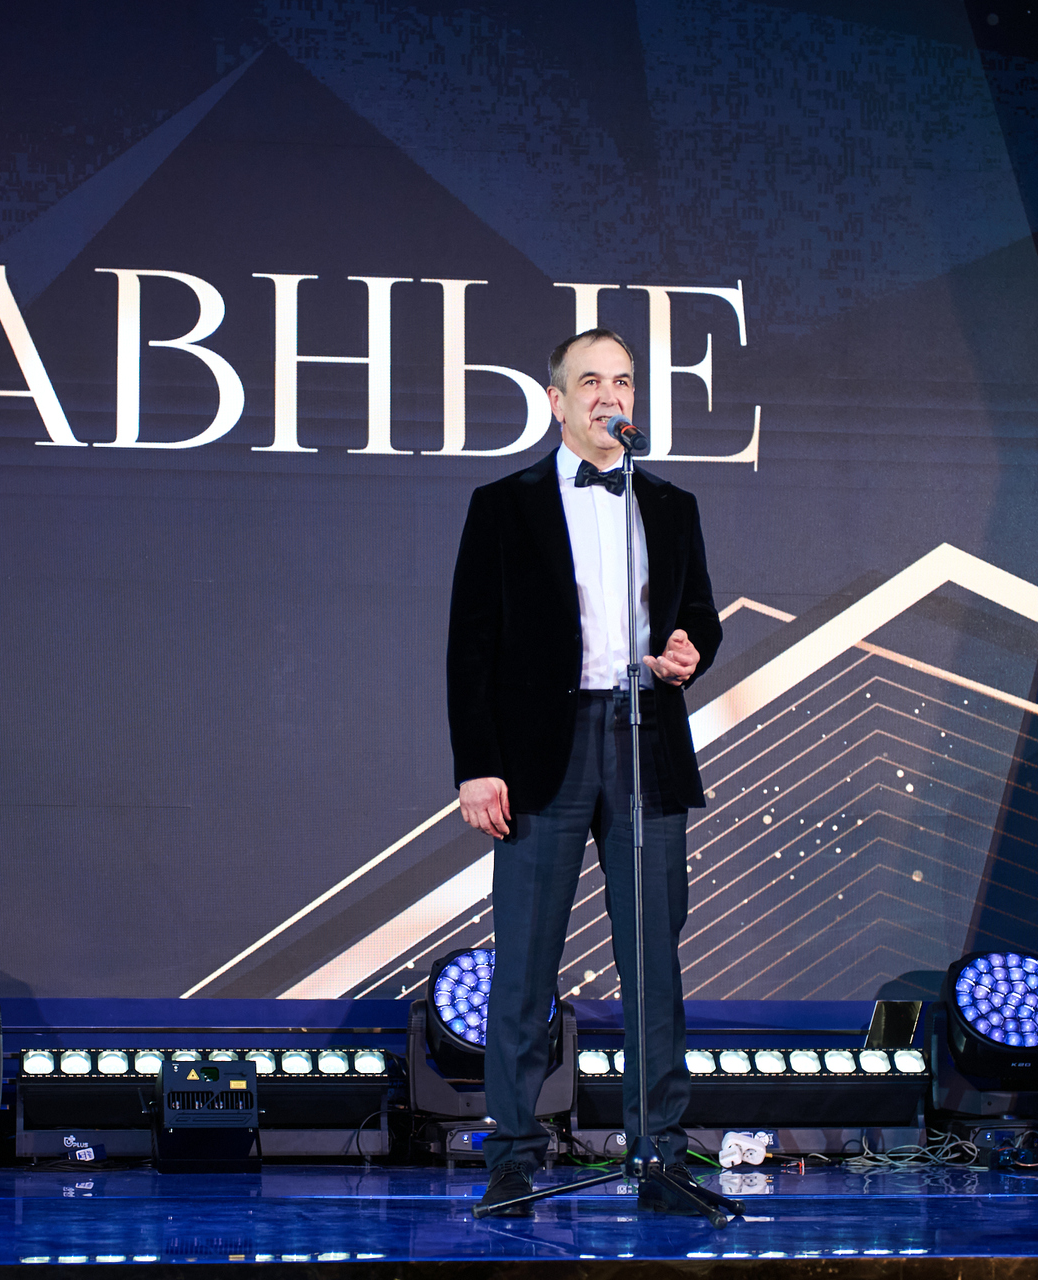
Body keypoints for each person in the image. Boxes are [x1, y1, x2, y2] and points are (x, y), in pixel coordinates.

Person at [446, 327, 721, 1217]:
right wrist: (478, 766)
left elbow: (698, 614)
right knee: (525, 965)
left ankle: (660, 1154)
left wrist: (689, 649)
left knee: (654, 965)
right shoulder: (504, 504)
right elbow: (470, 646)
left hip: (644, 739)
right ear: (557, 400)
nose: (611, 396)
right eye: (592, 381)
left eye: (624, 382)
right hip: (543, 750)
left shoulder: (671, 503)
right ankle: (513, 1157)